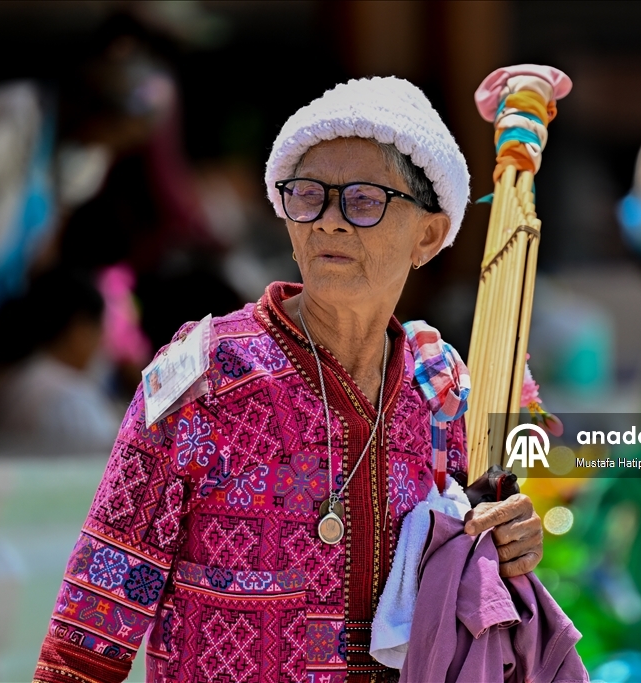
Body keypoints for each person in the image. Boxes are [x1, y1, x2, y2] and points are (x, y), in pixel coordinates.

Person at [33, 76, 544, 683]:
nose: (328, 221)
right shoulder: (208, 376)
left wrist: (513, 542)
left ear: (427, 235)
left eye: (362, 200)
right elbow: (96, 611)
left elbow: (475, 569)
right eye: (308, 196)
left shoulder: (445, 391)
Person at [0, 268, 120, 448]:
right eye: (98, 332)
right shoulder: (72, 397)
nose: (101, 345)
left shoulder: (15, 381)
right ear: (79, 330)